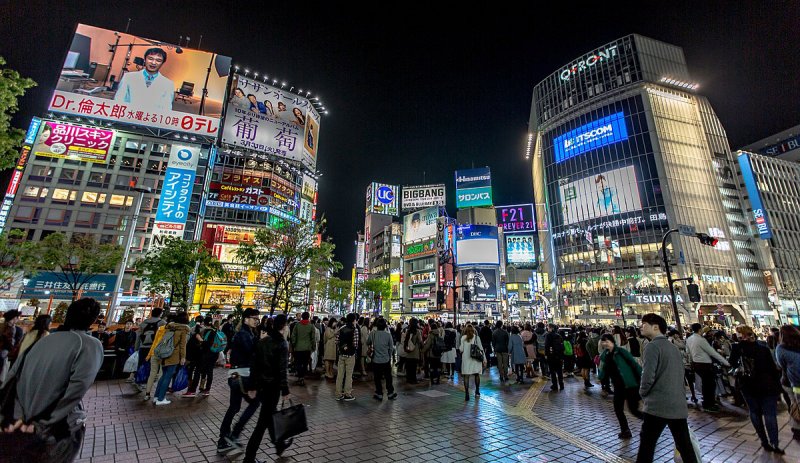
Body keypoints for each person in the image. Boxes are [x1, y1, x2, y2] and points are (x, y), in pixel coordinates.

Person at [2, 298, 103, 461]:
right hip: (56, 429)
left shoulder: (42, 342)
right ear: (95, 319)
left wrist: (18, 418)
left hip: (20, 423)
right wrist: (43, 424)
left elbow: (12, 377)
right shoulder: (89, 345)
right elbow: (77, 388)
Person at [637, 314, 699, 463]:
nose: (641, 327)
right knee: (685, 445)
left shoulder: (652, 346)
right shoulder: (672, 347)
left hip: (658, 405)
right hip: (677, 405)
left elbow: (648, 376)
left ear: (655, 327)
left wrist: (642, 393)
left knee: (647, 444)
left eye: (644, 324)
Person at [243, 314, 293, 462]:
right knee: (262, 423)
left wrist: (252, 386)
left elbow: (254, 366)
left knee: (270, 415)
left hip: (262, 386)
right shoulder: (281, 344)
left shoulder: (263, 342)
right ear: (283, 326)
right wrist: (285, 390)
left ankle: (279, 444)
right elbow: (282, 370)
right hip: (273, 387)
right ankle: (249, 457)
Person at [728, 325, 784, 454]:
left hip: (748, 386)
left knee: (755, 412)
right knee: (770, 414)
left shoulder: (737, 348)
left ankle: (764, 441)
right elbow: (772, 368)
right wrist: (778, 387)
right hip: (767, 385)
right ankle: (774, 443)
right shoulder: (763, 349)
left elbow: (732, 363)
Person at [217, 309, 262, 455]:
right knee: (255, 403)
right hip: (243, 375)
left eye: (257, 318)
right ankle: (234, 434)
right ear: (245, 319)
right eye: (253, 318)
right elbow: (252, 353)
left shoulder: (245, 333)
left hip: (235, 374)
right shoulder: (244, 335)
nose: (256, 320)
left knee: (234, 407)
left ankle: (223, 440)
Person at [598, 333, 643, 438]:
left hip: (630, 385)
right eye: (603, 342)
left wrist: (642, 379)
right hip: (618, 386)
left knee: (634, 410)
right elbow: (603, 368)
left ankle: (650, 424)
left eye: (607, 341)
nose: (605, 344)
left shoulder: (621, 352)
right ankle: (625, 430)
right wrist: (600, 377)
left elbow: (635, 365)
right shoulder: (605, 355)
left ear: (612, 341)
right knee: (618, 409)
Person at [686, 322, 730, 412]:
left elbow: (688, 352)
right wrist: (725, 362)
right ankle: (709, 404)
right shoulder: (700, 340)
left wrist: (691, 361)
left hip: (696, 363)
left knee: (705, 384)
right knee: (710, 384)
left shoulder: (689, 339)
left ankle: (707, 402)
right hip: (705, 364)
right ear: (699, 329)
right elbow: (712, 352)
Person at [152, 312, 189, 405]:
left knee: (164, 375)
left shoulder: (169, 327)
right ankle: (161, 399)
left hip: (164, 353)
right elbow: (182, 345)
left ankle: (156, 397)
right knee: (168, 376)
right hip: (174, 355)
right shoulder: (183, 330)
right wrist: (183, 357)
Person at [776, 324, 800, 442]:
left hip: (792, 383)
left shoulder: (781, 349)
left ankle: (797, 430)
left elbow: (781, 365)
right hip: (794, 383)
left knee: (795, 406)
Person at [367, 317, 396, 400]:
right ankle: (390, 393)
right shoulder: (388, 335)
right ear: (385, 326)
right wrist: (389, 356)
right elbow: (391, 348)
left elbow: (367, 342)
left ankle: (379, 393)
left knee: (377, 378)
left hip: (376, 359)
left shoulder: (373, 333)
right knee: (388, 377)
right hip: (386, 359)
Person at [668, 329, 698, 405]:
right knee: (682, 380)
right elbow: (683, 346)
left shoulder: (676, 340)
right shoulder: (671, 341)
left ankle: (692, 395)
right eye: (677, 334)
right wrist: (680, 341)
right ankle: (687, 395)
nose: (678, 336)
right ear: (674, 334)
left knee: (687, 379)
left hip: (683, 363)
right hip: (678, 363)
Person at [335, 313, 359, 401]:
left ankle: (338, 394)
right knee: (349, 375)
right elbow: (355, 344)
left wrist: (342, 348)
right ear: (354, 320)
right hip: (350, 355)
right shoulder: (355, 330)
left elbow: (336, 341)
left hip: (341, 355)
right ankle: (347, 394)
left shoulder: (341, 328)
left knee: (340, 374)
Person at [460, 324, 487, 401]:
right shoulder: (476, 338)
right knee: (477, 375)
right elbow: (481, 349)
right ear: (473, 330)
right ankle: (477, 391)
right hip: (476, 359)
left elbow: (461, 349)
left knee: (466, 376)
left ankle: (467, 394)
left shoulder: (463, 338)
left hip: (466, 359)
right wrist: (484, 359)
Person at [290, 311, 315, 386]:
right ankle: (302, 377)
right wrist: (313, 347)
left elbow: (293, 336)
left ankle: (300, 376)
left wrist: (294, 344)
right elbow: (313, 338)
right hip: (307, 348)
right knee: (305, 363)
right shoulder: (311, 326)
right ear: (308, 317)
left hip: (298, 347)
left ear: (302, 317)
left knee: (298, 362)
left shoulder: (297, 325)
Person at [401, 318, 422, 385]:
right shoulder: (417, 331)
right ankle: (413, 379)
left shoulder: (408, 331)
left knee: (409, 366)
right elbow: (420, 341)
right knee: (414, 366)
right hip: (415, 351)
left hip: (408, 351)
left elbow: (405, 341)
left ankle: (408, 379)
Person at [544, 324, 565, 391]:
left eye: (548, 327)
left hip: (551, 356)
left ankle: (555, 385)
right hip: (559, 356)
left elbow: (547, 346)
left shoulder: (548, 335)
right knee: (559, 371)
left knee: (552, 371)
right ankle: (561, 384)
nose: (547, 329)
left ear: (551, 328)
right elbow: (562, 347)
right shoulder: (559, 336)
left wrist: (546, 354)